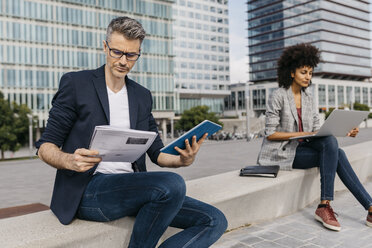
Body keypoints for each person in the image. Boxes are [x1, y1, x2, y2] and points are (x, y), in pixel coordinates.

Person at [36, 16, 227, 247]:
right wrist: (69, 160)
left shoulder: (142, 96)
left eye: (131, 55)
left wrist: (182, 160)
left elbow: (156, 152)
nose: (123, 61)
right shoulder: (77, 84)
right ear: (105, 47)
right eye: (117, 52)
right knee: (172, 185)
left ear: (139, 54)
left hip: (135, 187)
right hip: (89, 189)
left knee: (214, 220)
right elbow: (46, 146)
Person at [257, 43, 372, 231]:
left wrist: (345, 131)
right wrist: (302, 134)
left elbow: (319, 131)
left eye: (310, 73)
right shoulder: (278, 95)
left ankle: (356, 206)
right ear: (292, 72)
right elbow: (270, 134)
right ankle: (330, 206)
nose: (308, 77)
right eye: (303, 72)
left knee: (333, 146)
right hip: (283, 152)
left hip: (305, 148)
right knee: (338, 155)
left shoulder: (309, 98)